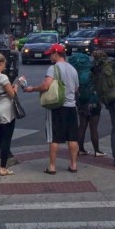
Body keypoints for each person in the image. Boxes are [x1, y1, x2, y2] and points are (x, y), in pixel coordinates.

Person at [23, 44, 80, 175]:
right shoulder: (73, 69)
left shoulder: (53, 68)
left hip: (57, 106)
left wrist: (33, 89)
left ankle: (52, 166)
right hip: (72, 106)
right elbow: (76, 88)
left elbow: (45, 86)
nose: (49, 56)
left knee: (54, 137)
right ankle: (73, 164)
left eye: (50, 54)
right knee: (72, 138)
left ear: (56, 54)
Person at [70, 52, 105, 157]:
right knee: (93, 127)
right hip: (93, 101)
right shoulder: (93, 70)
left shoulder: (77, 72)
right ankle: (97, 150)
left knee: (82, 126)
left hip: (81, 101)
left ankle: (80, 149)